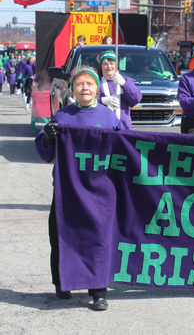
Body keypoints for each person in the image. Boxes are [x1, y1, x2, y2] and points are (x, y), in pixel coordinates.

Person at [35, 67, 124, 311]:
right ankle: (64, 283)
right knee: (61, 236)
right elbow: (44, 153)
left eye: (89, 84)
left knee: (99, 240)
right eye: (79, 84)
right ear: (72, 89)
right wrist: (49, 137)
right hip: (67, 191)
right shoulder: (62, 116)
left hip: (99, 192)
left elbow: (129, 151)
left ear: (97, 88)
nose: (85, 88)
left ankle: (98, 291)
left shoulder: (109, 118)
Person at [96, 51, 142, 130]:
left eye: (112, 63)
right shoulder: (96, 82)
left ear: (117, 65)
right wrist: (101, 100)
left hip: (124, 128)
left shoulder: (126, 80)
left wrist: (124, 84)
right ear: (101, 66)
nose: (109, 66)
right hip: (103, 127)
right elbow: (87, 102)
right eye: (105, 64)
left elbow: (136, 99)